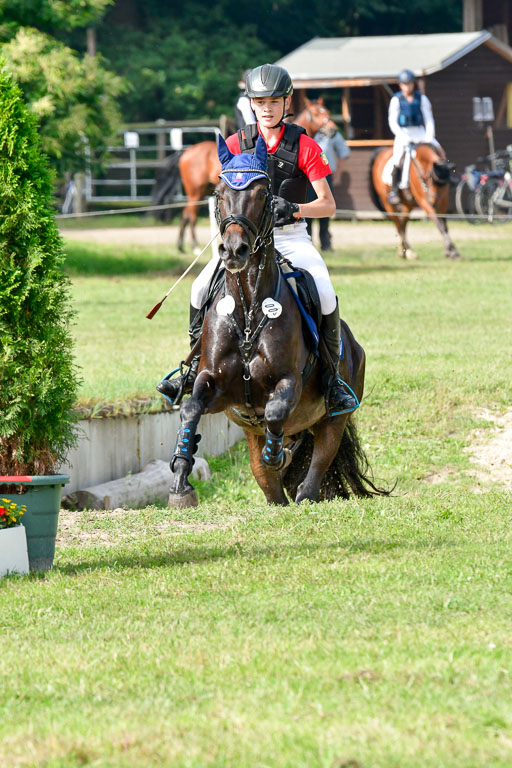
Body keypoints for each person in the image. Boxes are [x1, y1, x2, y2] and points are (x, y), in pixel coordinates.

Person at [159, 63, 357, 415]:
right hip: (247, 242)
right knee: (199, 289)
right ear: (251, 104)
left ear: (286, 102)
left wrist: (295, 209)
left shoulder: (305, 146)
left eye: (274, 101)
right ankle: (191, 371)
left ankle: (332, 379)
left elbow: (328, 204)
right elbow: (224, 195)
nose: (266, 108)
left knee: (324, 291)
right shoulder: (237, 144)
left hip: (290, 238)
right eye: (260, 101)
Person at [387, 68, 441, 205]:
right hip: (403, 133)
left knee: (437, 150)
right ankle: (394, 190)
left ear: (413, 84)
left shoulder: (422, 98)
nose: (407, 87)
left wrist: (429, 137)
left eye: (409, 84)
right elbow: (392, 122)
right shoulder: (396, 100)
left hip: (419, 132)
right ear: (400, 85)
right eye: (404, 84)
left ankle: (445, 177)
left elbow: (429, 119)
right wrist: (401, 136)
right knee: (398, 158)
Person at [306, 128, 350, 251]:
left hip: (324, 176)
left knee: (324, 210)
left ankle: (325, 242)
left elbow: (344, 151)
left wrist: (337, 172)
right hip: (304, 177)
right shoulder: (298, 131)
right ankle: (307, 242)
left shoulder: (330, 132)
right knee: (306, 209)